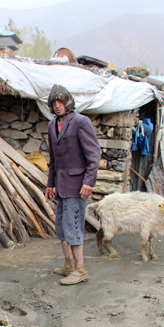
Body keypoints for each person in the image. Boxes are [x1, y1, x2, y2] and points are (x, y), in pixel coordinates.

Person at [44, 85, 101, 285]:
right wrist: (50, 184)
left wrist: (88, 182)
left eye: (60, 102)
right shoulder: (52, 125)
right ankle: (68, 264)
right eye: (54, 103)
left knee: (73, 226)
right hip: (61, 185)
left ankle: (80, 269)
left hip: (77, 186)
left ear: (68, 102)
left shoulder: (80, 122)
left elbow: (94, 155)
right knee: (61, 226)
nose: (57, 106)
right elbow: (54, 159)